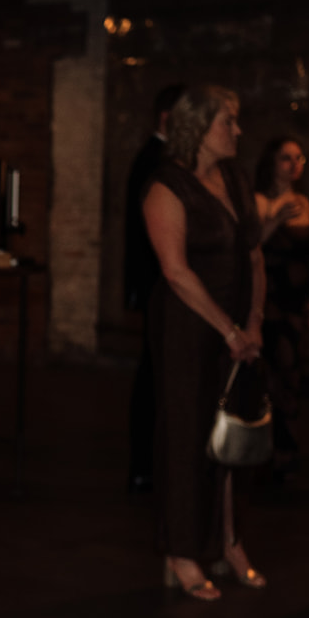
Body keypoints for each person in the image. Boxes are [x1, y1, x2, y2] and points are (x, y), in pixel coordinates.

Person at [142, 85, 267, 600]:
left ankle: (228, 541)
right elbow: (175, 272)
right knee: (188, 436)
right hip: (190, 329)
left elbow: (255, 256)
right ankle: (184, 553)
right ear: (199, 127)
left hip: (238, 328)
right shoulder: (165, 186)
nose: (237, 131)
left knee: (230, 437)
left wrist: (254, 321)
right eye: (227, 122)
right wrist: (229, 329)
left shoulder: (235, 178)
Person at [125, 84, 185, 493]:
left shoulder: (163, 158)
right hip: (157, 283)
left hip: (156, 282)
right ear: (167, 116)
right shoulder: (154, 159)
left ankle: (149, 463)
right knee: (153, 375)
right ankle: (144, 464)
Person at [254, 136, 309, 479]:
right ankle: (269, 446)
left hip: (297, 302)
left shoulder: (305, 204)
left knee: (292, 373)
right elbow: (251, 249)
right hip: (270, 302)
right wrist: (275, 219)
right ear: (272, 163)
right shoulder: (259, 201)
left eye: (299, 159)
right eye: (286, 158)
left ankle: (287, 446)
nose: (294, 165)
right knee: (272, 372)